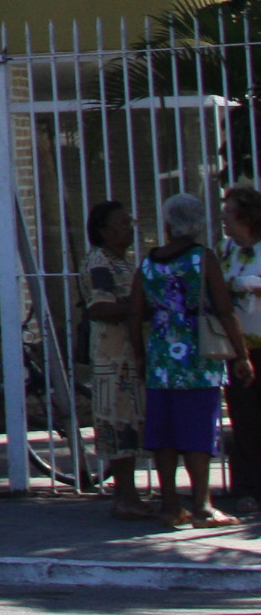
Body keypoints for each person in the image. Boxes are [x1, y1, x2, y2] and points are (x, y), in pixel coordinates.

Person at [137, 192, 255, 527]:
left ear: (168, 223)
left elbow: (137, 309)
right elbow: (223, 307)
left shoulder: (150, 261)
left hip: (161, 353)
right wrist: (241, 354)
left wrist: (140, 354)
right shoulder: (202, 258)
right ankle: (202, 505)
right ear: (198, 224)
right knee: (198, 428)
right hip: (197, 354)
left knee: (164, 432)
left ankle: (171, 504)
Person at [81, 198, 150, 520]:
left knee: (131, 424)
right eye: (123, 224)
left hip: (128, 354)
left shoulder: (126, 262)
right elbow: (99, 306)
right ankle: (125, 496)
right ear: (105, 231)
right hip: (112, 357)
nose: (129, 230)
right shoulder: (100, 261)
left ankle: (129, 494)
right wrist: (137, 308)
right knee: (118, 425)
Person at [222, 186, 261, 516]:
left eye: (229, 210)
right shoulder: (225, 251)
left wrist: (252, 284)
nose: (224, 216)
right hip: (238, 348)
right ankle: (248, 488)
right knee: (245, 419)